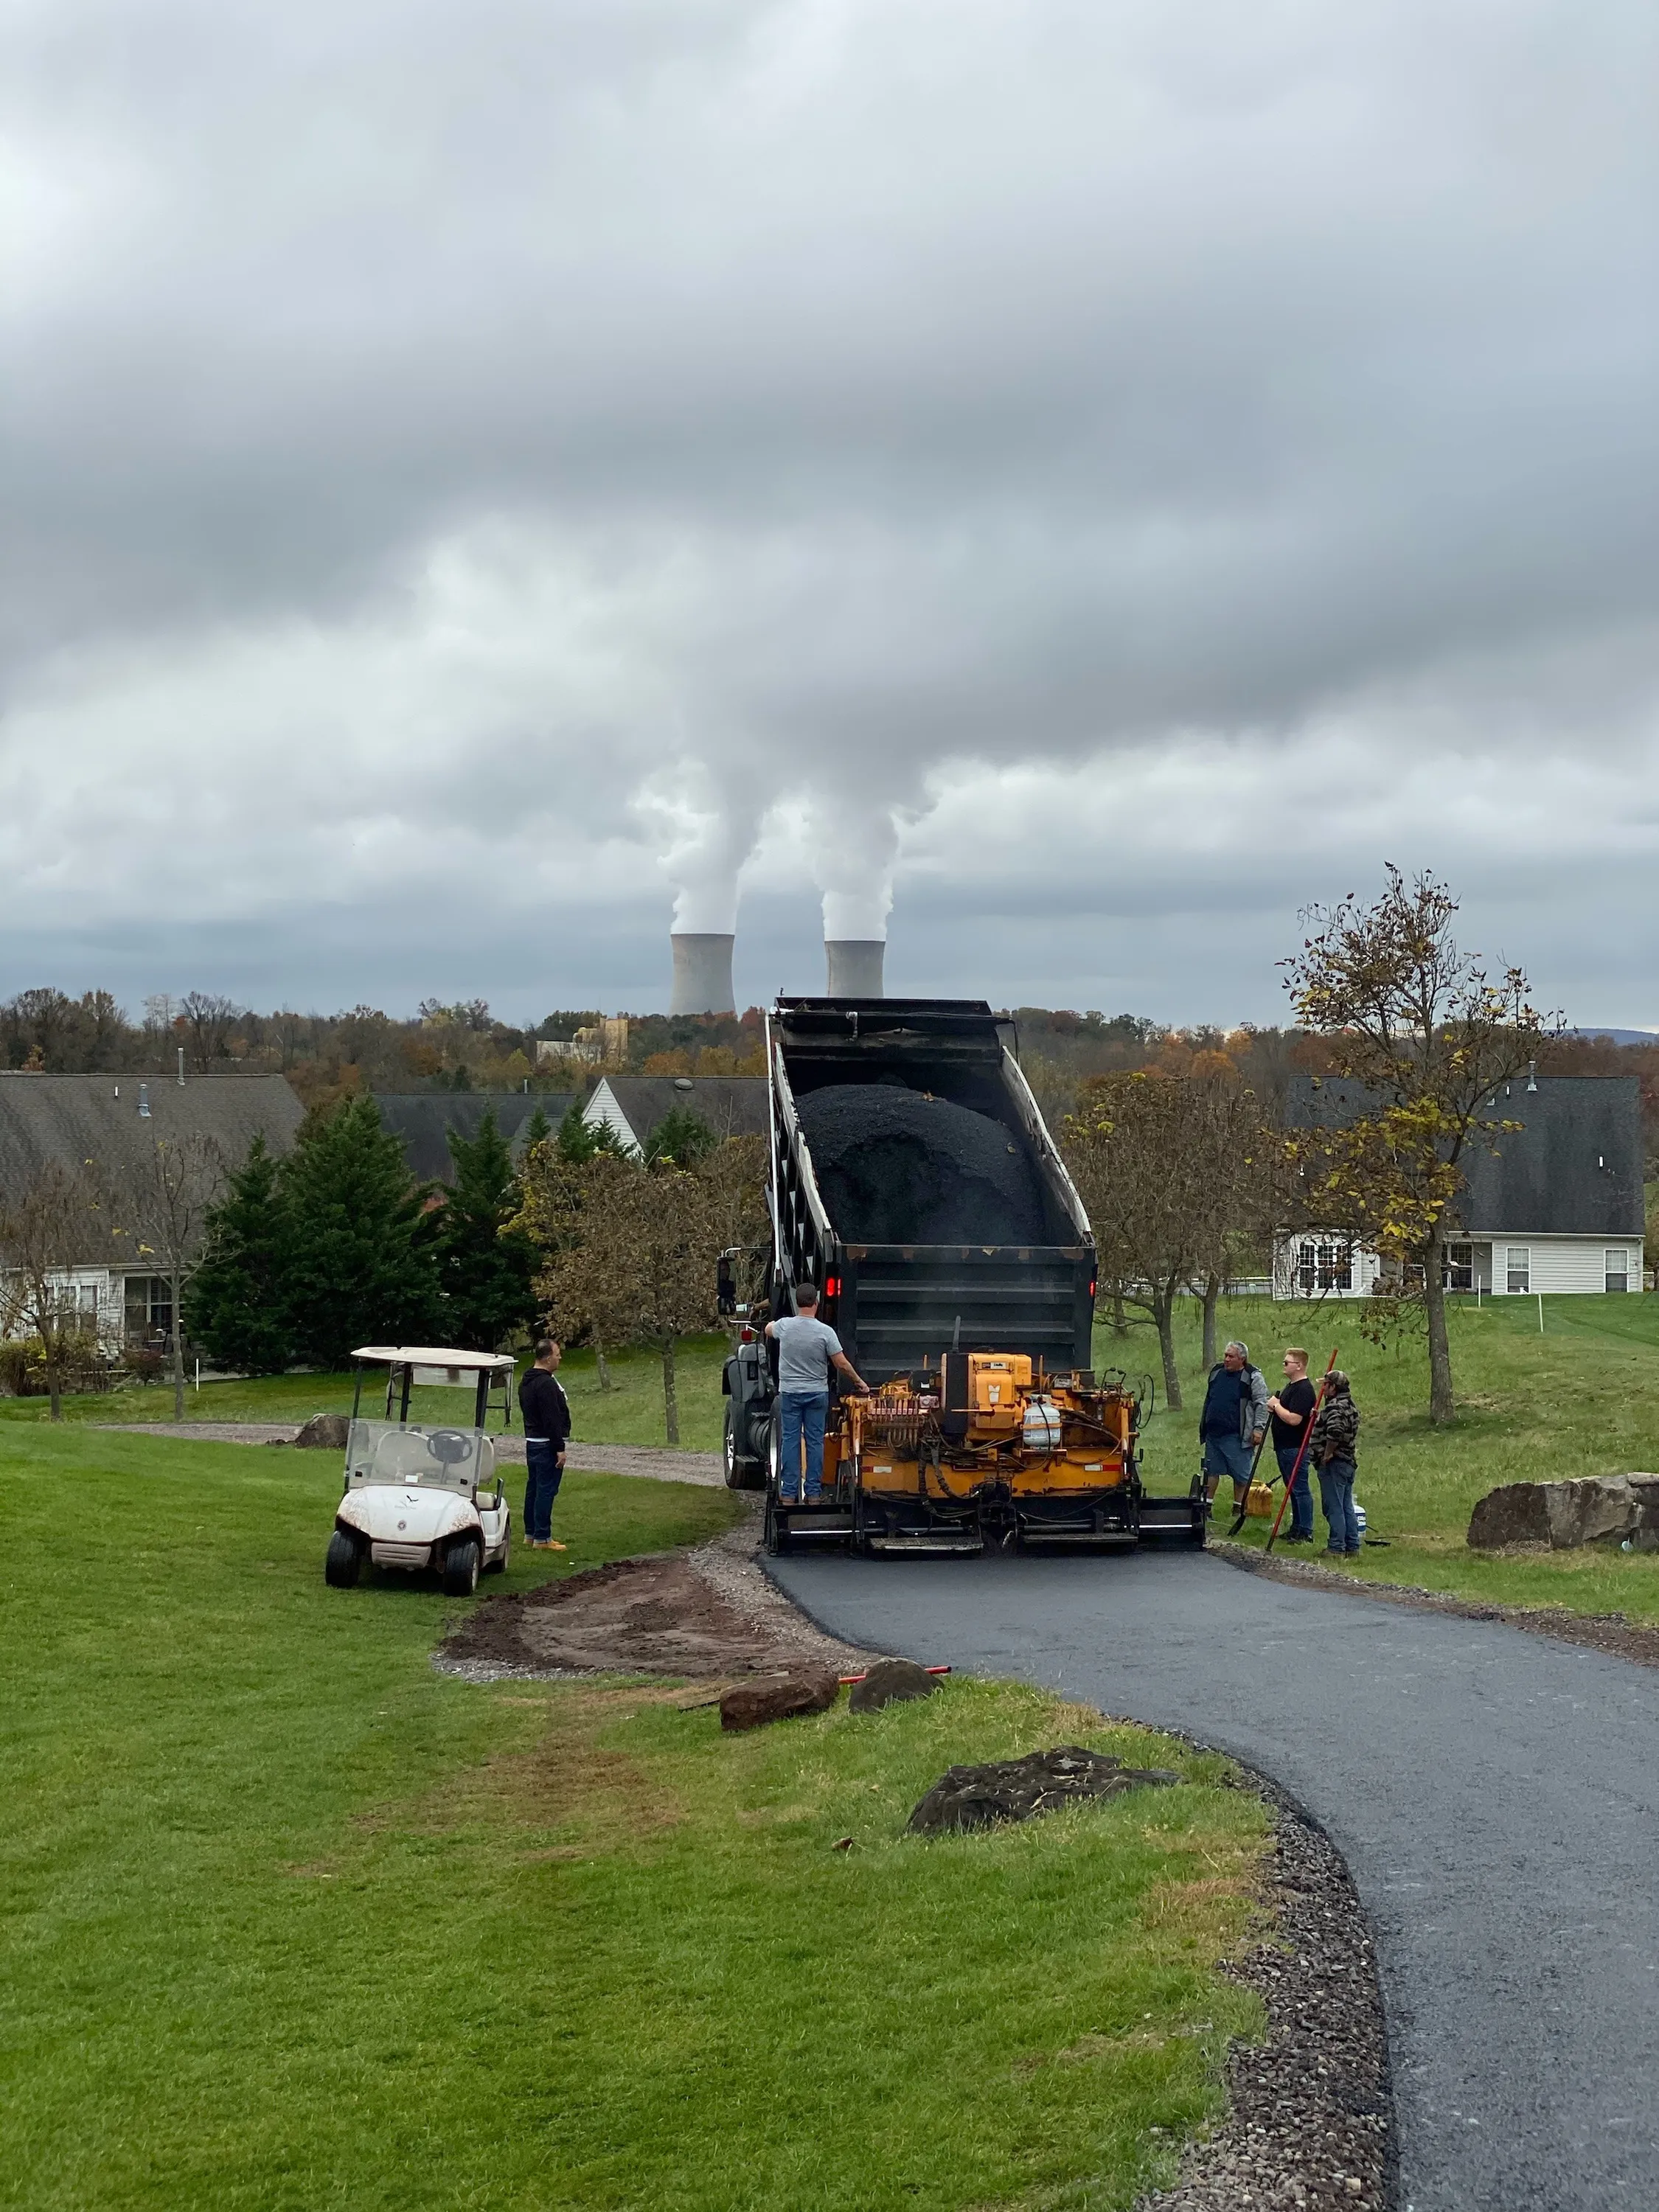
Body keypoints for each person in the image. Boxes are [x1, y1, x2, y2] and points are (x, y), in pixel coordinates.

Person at [764, 1284, 869, 1504]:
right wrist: (860, 1383)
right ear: (816, 1304)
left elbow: (768, 1330)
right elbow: (840, 1363)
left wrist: (773, 1323)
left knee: (791, 1441)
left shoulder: (785, 1327)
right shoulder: (825, 1332)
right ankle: (813, 1493)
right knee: (815, 1443)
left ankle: (789, 1494)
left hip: (790, 1394)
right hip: (816, 1395)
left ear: (798, 1302)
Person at [1198, 1339, 1268, 1517]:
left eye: (1231, 1356)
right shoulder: (1216, 1372)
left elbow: (1261, 1404)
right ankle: (1206, 1508)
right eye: (1226, 1355)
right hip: (1214, 1434)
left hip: (1237, 1435)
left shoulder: (1252, 1376)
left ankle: (1238, 1508)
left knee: (1241, 1475)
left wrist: (1258, 1429)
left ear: (1242, 1359)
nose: (1227, 1359)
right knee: (1212, 1471)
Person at [518, 1338, 571, 1551]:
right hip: (546, 1444)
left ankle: (530, 1534)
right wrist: (559, 1448)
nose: (560, 1358)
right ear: (548, 1358)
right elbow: (552, 1418)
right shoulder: (546, 1384)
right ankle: (543, 1538)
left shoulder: (527, 1381)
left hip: (533, 1442)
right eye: (557, 1355)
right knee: (546, 1491)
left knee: (533, 1488)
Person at [1266, 1347, 1318, 1543]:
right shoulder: (1291, 1387)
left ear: (1299, 1366)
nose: (1284, 1365)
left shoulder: (1304, 1390)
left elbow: (1295, 1419)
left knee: (1300, 1489)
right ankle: (1297, 1527)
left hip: (1295, 1447)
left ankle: (1305, 1530)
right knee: (1292, 1488)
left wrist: (1276, 1406)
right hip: (1284, 1446)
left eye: (1287, 1362)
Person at [1309, 1368, 1362, 1556]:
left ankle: (1337, 1547)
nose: (1322, 1389)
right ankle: (1352, 1546)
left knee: (1334, 1507)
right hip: (1348, 1462)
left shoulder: (1335, 1407)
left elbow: (1335, 1431)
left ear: (1333, 1387)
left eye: (1325, 1385)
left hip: (1335, 1463)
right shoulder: (1350, 1405)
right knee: (1346, 1505)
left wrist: (1327, 1454)